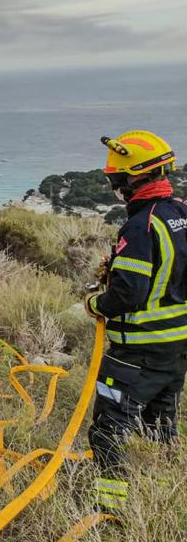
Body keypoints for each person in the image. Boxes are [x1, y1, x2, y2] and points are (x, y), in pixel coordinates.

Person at [84, 130, 187, 512]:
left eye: (117, 179)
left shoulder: (141, 226)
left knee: (110, 429)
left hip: (137, 352)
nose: (116, 186)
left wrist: (97, 303)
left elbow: (127, 293)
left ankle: (110, 509)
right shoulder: (180, 215)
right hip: (175, 352)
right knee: (160, 428)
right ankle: (163, 497)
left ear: (133, 178)